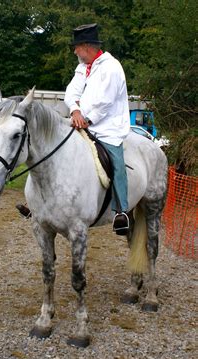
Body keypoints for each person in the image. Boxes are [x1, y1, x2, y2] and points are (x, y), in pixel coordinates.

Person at [64, 23, 130, 235]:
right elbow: (71, 91)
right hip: (80, 121)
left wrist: (87, 119)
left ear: (86, 46)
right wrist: (74, 110)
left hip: (107, 128)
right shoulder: (83, 67)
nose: (75, 51)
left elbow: (105, 102)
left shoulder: (111, 67)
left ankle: (122, 210)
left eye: (77, 47)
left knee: (116, 162)